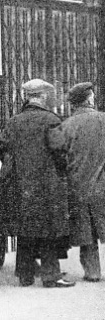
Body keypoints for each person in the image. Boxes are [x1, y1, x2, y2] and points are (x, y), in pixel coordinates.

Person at [0, 79, 75, 288]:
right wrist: (59, 171)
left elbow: (2, 147)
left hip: (21, 186)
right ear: (41, 96)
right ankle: (51, 275)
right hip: (47, 185)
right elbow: (60, 150)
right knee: (48, 231)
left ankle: (25, 275)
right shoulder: (50, 119)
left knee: (25, 230)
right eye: (46, 95)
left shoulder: (13, 122)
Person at [49, 82, 105, 283]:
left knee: (86, 231)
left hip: (78, 184)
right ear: (90, 99)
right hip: (103, 182)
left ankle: (92, 272)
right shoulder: (103, 119)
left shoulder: (66, 125)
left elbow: (55, 152)